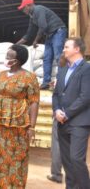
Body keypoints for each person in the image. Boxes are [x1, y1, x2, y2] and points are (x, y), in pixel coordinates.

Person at [0, 44, 40, 188]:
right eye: (6, 56)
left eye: (9, 57)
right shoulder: (2, 74)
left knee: (16, 155)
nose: (6, 59)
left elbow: (34, 102)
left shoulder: (30, 77)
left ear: (18, 60)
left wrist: (32, 127)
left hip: (18, 122)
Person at [52, 37, 90, 189]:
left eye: (66, 47)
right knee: (67, 160)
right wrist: (56, 111)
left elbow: (85, 96)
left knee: (76, 159)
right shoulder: (62, 69)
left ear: (77, 49)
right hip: (62, 122)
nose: (63, 49)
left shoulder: (87, 69)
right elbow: (56, 94)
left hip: (79, 122)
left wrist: (66, 113)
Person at [16, 0, 67, 89]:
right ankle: (46, 83)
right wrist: (16, 45)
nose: (23, 10)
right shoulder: (32, 17)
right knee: (47, 59)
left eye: (24, 8)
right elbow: (28, 34)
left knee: (58, 56)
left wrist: (36, 40)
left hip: (58, 31)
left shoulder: (39, 9)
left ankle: (62, 82)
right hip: (49, 35)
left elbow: (43, 26)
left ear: (29, 5)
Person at [47, 54, 66, 184]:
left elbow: (56, 95)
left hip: (61, 115)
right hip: (75, 116)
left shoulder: (61, 74)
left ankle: (56, 174)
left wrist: (57, 111)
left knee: (57, 145)